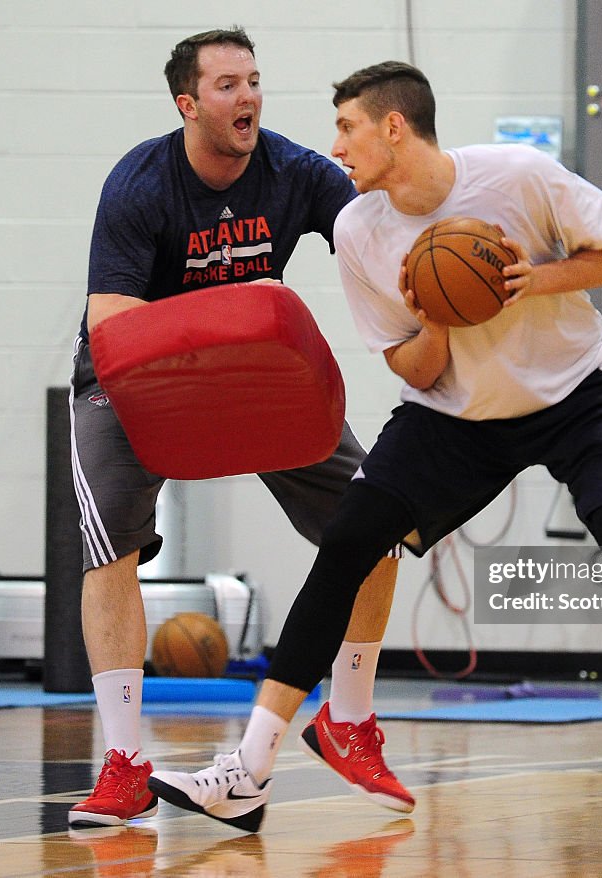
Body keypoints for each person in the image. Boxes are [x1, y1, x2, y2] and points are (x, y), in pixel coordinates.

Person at [147, 60, 602, 846]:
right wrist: (439, 317)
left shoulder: (518, 176)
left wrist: (536, 278)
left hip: (578, 392)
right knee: (347, 543)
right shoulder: (359, 229)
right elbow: (410, 367)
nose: (338, 147)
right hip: (457, 412)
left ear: (395, 126)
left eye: (349, 127)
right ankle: (247, 774)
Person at [67, 32, 414, 828]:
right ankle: (124, 764)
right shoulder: (140, 183)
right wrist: (231, 319)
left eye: (254, 81)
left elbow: (377, 237)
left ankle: (349, 721)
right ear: (187, 104)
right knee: (109, 546)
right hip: (132, 374)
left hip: (249, 372)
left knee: (381, 522)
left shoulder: (295, 172)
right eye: (227, 85)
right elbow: (113, 325)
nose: (248, 97)